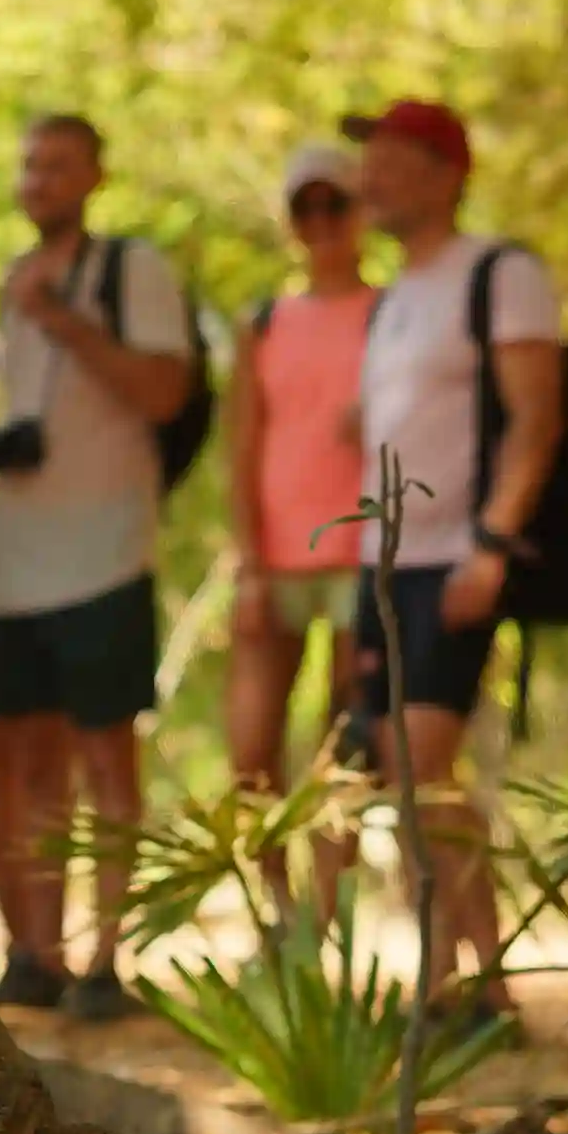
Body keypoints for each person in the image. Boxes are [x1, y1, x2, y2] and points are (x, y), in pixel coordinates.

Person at [343, 97, 568, 1020]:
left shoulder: (502, 274)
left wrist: (493, 541)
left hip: (458, 555)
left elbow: (536, 415)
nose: (371, 174)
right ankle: (482, 981)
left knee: (423, 760)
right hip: (379, 560)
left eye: (392, 155)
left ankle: (452, 976)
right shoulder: (392, 296)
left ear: (445, 171)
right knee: (402, 771)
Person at [0, 114, 193, 1020]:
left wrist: (63, 320)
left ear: (96, 174)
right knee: (28, 757)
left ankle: (110, 958)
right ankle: (39, 951)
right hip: (14, 555)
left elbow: (164, 391)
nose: (40, 179)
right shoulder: (7, 279)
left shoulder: (131, 270)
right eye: (29, 164)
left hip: (104, 549)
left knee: (108, 754)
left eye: (58, 164)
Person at [223, 143, 375, 901]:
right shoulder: (265, 321)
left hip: (361, 547)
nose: (321, 222)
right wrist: (247, 558)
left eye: (335, 205)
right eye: (306, 208)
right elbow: (241, 446)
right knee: (251, 745)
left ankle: (332, 912)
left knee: (343, 743)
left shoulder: (391, 313)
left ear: (362, 212)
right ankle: (274, 908)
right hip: (276, 555)